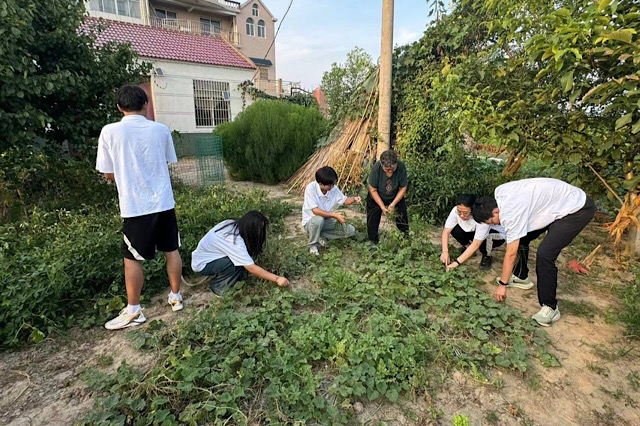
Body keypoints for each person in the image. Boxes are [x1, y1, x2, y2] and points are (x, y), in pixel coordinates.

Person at [96, 85, 184, 330]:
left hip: (135, 206)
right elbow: (166, 161)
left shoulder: (109, 131)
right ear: (146, 104)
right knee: (171, 250)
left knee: (132, 258)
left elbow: (107, 174)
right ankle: (176, 296)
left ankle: (134, 310)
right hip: (164, 203)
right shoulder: (161, 130)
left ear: (119, 107)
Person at [472, 178, 595, 327]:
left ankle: (550, 308)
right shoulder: (500, 192)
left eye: (492, 221)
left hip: (577, 209)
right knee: (522, 237)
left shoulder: (511, 213)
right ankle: (521, 276)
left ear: (496, 211)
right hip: (555, 204)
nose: (495, 224)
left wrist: (502, 285)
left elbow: (510, 254)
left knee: (545, 254)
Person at [191, 211, 290, 296]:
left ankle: (230, 276)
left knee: (243, 259)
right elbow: (251, 268)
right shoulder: (234, 241)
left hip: (212, 256)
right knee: (235, 264)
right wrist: (277, 279)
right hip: (203, 264)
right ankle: (219, 287)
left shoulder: (231, 224)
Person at [302, 166, 361, 255]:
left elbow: (344, 200)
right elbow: (315, 211)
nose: (332, 187)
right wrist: (335, 216)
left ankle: (320, 235)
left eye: (333, 184)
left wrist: (354, 199)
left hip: (326, 220)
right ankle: (313, 245)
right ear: (320, 183)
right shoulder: (311, 188)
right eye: (329, 185)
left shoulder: (333, 188)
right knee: (319, 220)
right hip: (311, 222)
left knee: (350, 230)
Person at [441, 194, 506, 271]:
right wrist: (445, 251)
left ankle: (487, 255)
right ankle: (467, 247)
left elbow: (476, 243)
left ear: (472, 210)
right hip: (473, 231)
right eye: (459, 212)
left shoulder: (481, 217)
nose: (462, 215)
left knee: (485, 240)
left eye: (465, 213)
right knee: (455, 229)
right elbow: (446, 231)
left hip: (495, 235)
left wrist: (456, 263)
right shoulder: (456, 210)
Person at [366, 150, 409, 243]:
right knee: (372, 219)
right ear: (382, 165)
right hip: (377, 195)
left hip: (395, 195)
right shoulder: (376, 168)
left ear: (396, 164)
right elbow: (373, 190)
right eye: (387, 170)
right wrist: (382, 206)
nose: (390, 172)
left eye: (392, 169)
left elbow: (403, 188)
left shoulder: (401, 167)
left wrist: (393, 204)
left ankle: (405, 240)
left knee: (402, 218)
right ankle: (373, 241)